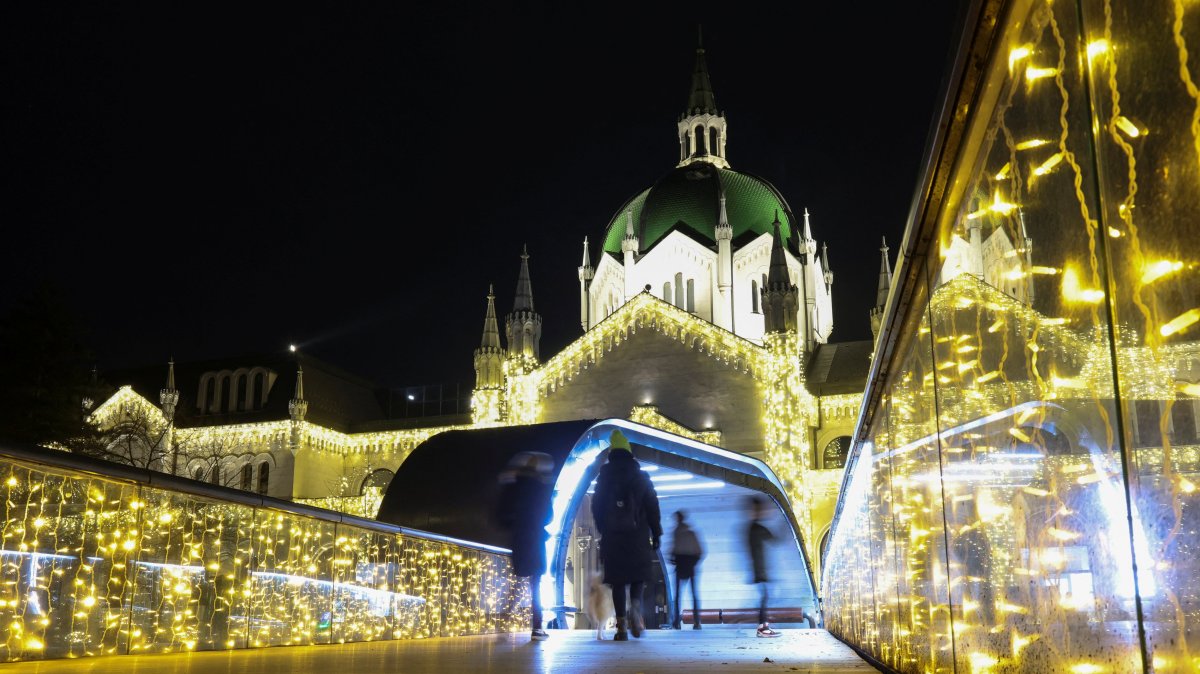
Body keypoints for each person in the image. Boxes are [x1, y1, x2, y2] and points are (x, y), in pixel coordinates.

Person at [591, 429, 662, 641]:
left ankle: (621, 627)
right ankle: (636, 607)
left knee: (618, 581)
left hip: (613, 537)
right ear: (630, 453)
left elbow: (596, 507)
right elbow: (652, 506)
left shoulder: (603, 478)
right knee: (637, 578)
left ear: (612, 452)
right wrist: (656, 532)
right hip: (637, 535)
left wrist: (604, 528)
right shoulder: (641, 477)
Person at [497, 450, 555, 641]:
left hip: (519, 538)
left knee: (516, 580)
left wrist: (515, 526)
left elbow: (500, 515)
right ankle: (536, 628)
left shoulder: (512, 487)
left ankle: (504, 618)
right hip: (536, 538)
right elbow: (548, 516)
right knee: (535, 584)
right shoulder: (541, 488)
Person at [746, 495, 781, 637]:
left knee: (765, 597)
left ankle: (763, 627)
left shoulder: (753, 528)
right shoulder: (756, 528)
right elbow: (775, 539)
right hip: (760, 570)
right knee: (764, 597)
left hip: (759, 569)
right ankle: (762, 628)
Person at [669, 509, 704, 630]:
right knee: (693, 593)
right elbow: (700, 551)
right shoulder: (691, 532)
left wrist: (673, 559)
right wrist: (694, 563)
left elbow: (672, 549)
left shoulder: (676, 532)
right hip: (690, 564)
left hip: (680, 564)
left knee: (678, 594)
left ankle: (676, 622)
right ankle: (697, 622)